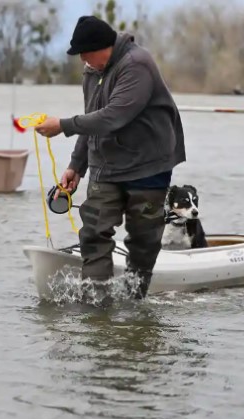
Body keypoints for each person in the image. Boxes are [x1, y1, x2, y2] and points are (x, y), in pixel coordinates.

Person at [35, 15, 186, 300]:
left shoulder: (137, 65)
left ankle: (134, 299)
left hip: (148, 166)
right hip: (106, 167)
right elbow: (92, 118)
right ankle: (96, 307)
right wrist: (75, 166)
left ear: (103, 47)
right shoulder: (92, 70)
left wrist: (63, 126)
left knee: (143, 240)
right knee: (93, 231)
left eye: (85, 54)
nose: (82, 61)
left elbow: (113, 116)